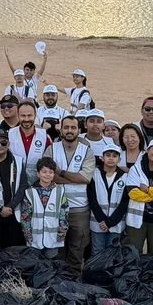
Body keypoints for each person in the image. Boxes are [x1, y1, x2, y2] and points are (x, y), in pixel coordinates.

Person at [52, 115, 93, 273]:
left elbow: (86, 178)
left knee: (77, 250)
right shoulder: (52, 149)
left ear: (79, 130)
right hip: (56, 208)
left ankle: (74, 280)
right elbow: (48, 176)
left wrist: (61, 173)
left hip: (79, 210)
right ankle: (58, 280)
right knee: (58, 249)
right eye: (66, 127)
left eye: (73, 127)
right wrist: (76, 178)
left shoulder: (86, 151)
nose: (70, 131)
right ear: (61, 129)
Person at [19, 158, 69, 258]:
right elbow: (25, 216)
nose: (47, 174)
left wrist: (62, 233)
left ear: (54, 174)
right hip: (34, 240)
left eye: (51, 172)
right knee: (35, 266)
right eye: (44, 171)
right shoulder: (30, 192)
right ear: (38, 174)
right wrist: (27, 234)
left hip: (53, 239)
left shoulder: (60, 191)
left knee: (51, 267)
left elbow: (64, 213)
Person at [87, 146, 129, 253]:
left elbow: (125, 202)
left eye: (115, 156)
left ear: (119, 159)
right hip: (98, 223)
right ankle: (96, 271)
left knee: (113, 253)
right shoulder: (94, 174)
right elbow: (92, 199)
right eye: (108, 155)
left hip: (116, 223)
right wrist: (102, 220)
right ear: (102, 158)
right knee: (97, 251)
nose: (111, 158)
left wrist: (110, 222)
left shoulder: (125, 176)